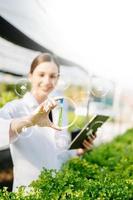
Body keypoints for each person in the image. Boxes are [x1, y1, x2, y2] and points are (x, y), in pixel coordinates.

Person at [0, 53, 96, 191]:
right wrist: (31, 120)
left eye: (52, 76)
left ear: (58, 79)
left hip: (57, 190)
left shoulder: (59, 110)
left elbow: (59, 152)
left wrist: (79, 151)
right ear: (30, 76)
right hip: (29, 192)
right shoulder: (16, 108)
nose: (47, 81)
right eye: (41, 74)